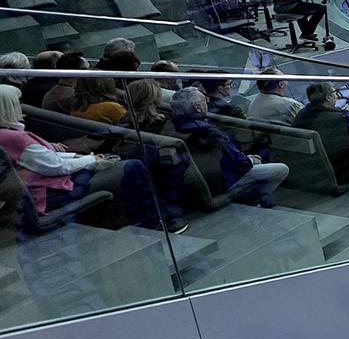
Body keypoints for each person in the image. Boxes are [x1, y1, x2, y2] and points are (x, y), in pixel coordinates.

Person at [0, 84, 175, 232]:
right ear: (8, 107)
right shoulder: (15, 137)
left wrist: (78, 156)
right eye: (17, 103)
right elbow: (55, 166)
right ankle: (155, 222)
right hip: (50, 192)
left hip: (36, 189)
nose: (20, 106)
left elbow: (37, 159)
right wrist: (92, 161)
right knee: (133, 167)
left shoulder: (6, 136)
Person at [167, 87, 289, 207]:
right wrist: (252, 159)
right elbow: (240, 163)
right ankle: (254, 199)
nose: (208, 103)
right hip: (219, 184)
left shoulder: (170, 126)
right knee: (281, 169)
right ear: (198, 107)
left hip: (190, 185)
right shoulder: (209, 132)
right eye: (205, 101)